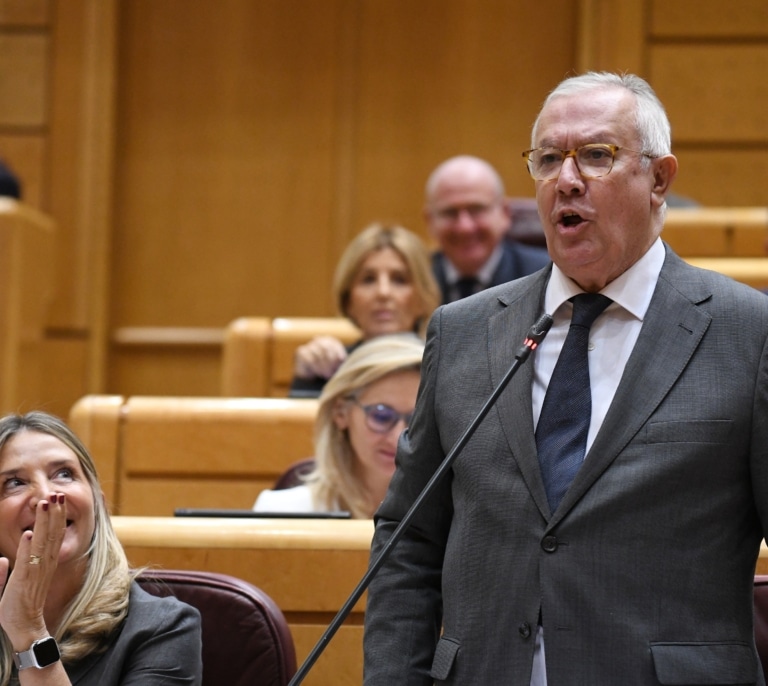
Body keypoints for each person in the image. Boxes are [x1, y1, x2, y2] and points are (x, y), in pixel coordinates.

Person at [363, 72, 768, 684]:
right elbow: (409, 540)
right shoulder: (464, 331)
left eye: (597, 155)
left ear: (659, 179)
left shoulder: (747, 333)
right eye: (549, 159)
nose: (567, 180)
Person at [0, 411, 202, 685]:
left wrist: (30, 633)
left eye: (64, 474)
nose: (46, 495)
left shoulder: (163, 628)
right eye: (15, 482)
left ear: (99, 506)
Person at [257, 334, 424, 518]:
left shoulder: (449, 520)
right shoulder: (281, 511)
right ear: (341, 413)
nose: (398, 437)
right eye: (381, 416)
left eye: (417, 421)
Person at [289, 223, 438, 398]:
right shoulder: (327, 369)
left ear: (423, 298)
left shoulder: (443, 370)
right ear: (347, 300)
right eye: (368, 280)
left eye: (399, 280)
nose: (383, 292)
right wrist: (306, 377)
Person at [424, 155, 550, 304]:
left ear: (504, 213)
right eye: (450, 212)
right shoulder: (414, 281)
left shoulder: (546, 277)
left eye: (476, 210)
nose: (464, 227)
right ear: (430, 220)